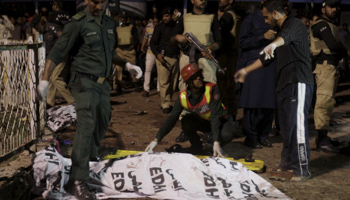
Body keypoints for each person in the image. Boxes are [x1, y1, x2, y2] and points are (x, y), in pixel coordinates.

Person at [36, 0, 142, 199]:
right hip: (83, 82)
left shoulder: (109, 23)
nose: (99, 6)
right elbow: (56, 52)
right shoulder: (77, 23)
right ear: (86, 1)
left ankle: (89, 157)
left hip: (103, 84)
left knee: (103, 119)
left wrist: (127, 64)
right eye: (95, 1)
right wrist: (44, 80)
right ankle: (77, 181)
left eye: (102, 1)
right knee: (86, 125)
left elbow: (110, 52)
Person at [234, 0, 314, 182]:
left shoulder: (294, 25)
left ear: (276, 14)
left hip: (299, 82)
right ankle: (287, 165)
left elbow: (282, 39)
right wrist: (246, 70)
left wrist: (273, 44)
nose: (266, 21)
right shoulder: (280, 33)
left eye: (267, 17)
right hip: (285, 84)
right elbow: (267, 59)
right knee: (287, 128)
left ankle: (302, 169)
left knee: (298, 127)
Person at [145, 63, 235, 157]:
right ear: (188, 82)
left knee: (227, 134)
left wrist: (216, 141)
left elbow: (215, 116)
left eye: (199, 75)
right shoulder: (183, 96)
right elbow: (172, 119)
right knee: (186, 121)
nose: (199, 78)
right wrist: (156, 140)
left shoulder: (212, 89)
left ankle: (217, 144)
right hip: (204, 122)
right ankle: (196, 146)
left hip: (220, 121)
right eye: (195, 77)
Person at [236, 0, 277, 149]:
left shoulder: (276, 18)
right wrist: (262, 37)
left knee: (269, 102)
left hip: (271, 64)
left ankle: (263, 135)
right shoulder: (251, 20)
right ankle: (251, 136)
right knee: (254, 103)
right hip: (255, 65)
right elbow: (242, 43)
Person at [310, 0, 350, 153]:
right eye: (330, 6)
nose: (334, 9)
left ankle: (323, 137)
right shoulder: (322, 25)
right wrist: (344, 50)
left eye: (336, 7)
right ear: (323, 8)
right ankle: (321, 139)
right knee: (324, 102)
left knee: (328, 102)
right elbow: (332, 45)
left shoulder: (329, 24)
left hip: (330, 66)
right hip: (325, 66)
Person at [171, 0, 222, 92]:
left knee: (210, 86)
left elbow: (219, 42)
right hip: (187, 56)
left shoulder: (211, 18)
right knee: (185, 87)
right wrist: (177, 37)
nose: (203, 1)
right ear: (192, 1)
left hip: (206, 57)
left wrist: (210, 48)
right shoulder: (185, 18)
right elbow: (172, 40)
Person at [150, 7, 180, 114]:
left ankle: (168, 101)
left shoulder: (177, 26)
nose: (165, 18)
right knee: (164, 83)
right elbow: (152, 43)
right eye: (163, 16)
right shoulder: (159, 27)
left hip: (175, 58)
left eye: (167, 16)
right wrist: (157, 54)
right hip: (163, 57)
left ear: (172, 16)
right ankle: (165, 104)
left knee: (173, 83)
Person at [45, 0, 74, 108]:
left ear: (56, 6)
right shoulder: (69, 17)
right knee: (52, 76)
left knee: (55, 77)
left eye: (53, 5)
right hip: (66, 48)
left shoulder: (53, 17)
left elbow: (54, 34)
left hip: (57, 50)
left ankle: (72, 100)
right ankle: (50, 101)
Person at [216, 0, 239, 119]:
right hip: (230, 56)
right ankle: (231, 118)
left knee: (224, 89)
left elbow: (221, 37)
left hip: (225, 56)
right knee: (229, 89)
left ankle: (226, 120)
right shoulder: (232, 14)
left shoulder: (228, 16)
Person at [114, 11, 140, 92]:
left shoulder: (132, 27)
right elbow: (114, 39)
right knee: (118, 69)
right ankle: (118, 86)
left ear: (127, 19)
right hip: (119, 50)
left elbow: (136, 39)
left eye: (125, 18)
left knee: (132, 68)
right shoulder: (117, 28)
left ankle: (136, 84)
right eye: (122, 18)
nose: (124, 20)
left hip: (129, 50)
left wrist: (132, 46)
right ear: (120, 18)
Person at [141, 16, 159, 97]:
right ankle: (146, 89)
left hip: (159, 52)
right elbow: (145, 37)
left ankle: (159, 89)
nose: (155, 23)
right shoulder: (148, 27)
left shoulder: (162, 27)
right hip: (150, 51)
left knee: (160, 71)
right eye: (154, 22)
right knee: (148, 70)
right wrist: (142, 46)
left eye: (156, 22)